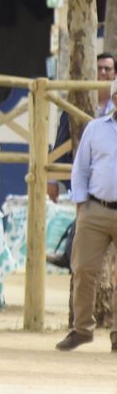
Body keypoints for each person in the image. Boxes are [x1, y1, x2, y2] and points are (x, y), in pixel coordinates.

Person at [57, 78, 117, 352]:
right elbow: (79, 169)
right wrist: (81, 205)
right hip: (95, 209)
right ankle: (82, 329)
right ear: (114, 99)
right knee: (82, 270)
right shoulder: (95, 129)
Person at [50, 52, 116, 202]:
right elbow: (61, 140)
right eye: (99, 68)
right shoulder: (76, 105)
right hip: (80, 182)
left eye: (107, 69)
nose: (103, 72)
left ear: (115, 74)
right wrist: (52, 179)